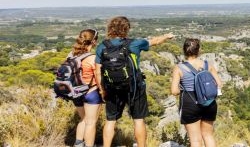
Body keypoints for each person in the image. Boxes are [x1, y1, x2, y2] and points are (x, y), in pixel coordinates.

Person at [94, 16, 174, 147]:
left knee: (110, 121)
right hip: (135, 88)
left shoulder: (102, 47)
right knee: (138, 120)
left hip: (112, 89)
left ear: (110, 29)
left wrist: (102, 89)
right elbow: (155, 41)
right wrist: (167, 36)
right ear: (126, 29)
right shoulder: (134, 43)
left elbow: (98, 71)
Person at [171, 38, 222, 147]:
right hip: (209, 102)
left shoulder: (179, 68)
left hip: (190, 103)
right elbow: (218, 84)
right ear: (199, 51)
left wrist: (183, 87)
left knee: (195, 140)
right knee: (208, 135)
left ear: (184, 51)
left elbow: (174, 91)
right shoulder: (208, 65)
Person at [71, 29, 102, 147]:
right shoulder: (93, 58)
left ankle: (78, 143)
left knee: (83, 119)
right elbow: (98, 77)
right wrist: (103, 91)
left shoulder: (71, 55)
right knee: (91, 123)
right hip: (91, 93)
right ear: (93, 42)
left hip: (76, 92)